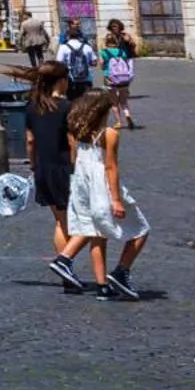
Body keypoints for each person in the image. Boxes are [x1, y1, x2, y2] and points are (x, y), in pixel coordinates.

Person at [65, 91, 150, 301]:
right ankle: (121, 271)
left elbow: (74, 159)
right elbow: (111, 167)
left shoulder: (75, 131)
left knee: (96, 233)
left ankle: (102, 285)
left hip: (82, 186)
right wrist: (117, 200)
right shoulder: (109, 133)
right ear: (102, 110)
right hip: (102, 187)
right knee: (141, 229)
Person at [18, 61, 83, 292]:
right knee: (76, 222)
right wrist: (76, 166)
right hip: (63, 168)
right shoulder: (67, 107)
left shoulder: (32, 107)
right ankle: (65, 264)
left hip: (43, 169)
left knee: (59, 222)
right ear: (61, 81)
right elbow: (72, 141)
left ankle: (67, 273)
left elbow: (30, 140)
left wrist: (33, 165)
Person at [100, 19, 137, 130]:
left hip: (110, 79)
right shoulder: (122, 52)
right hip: (123, 79)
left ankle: (119, 122)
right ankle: (128, 115)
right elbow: (127, 61)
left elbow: (101, 65)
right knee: (124, 101)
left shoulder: (104, 52)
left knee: (114, 102)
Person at [58, 20, 98, 101]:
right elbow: (94, 63)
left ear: (68, 36)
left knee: (72, 101)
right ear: (79, 36)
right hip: (86, 78)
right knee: (86, 101)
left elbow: (59, 63)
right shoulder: (87, 47)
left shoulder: (63, 47)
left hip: (70, 79)